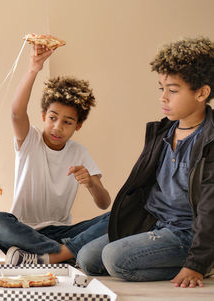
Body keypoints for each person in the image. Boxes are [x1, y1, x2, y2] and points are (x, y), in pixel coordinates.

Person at [77, 37, 214, 288]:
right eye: (160, 88)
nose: (163, 97)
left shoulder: (209, 140)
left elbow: (210, 210)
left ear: (202, 93)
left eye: (172, 90)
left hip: (188, 234)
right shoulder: (162, 132)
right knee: (87, 259)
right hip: (154, 224)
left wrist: (196, 263)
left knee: (115, 260)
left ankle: (206, 262)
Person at [0, 43, 111, 265]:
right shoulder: (30, 140)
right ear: (43, 116)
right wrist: (33, 68)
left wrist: (91, 182)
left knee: (117, 217)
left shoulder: (79, 153)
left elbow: (103, 202)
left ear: (78, 126)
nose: (57, 127)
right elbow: (16, 112)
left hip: (63, 232)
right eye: (53, 118)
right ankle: (62, 254)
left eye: (67, 122)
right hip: (23, 230)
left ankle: (49, 256)